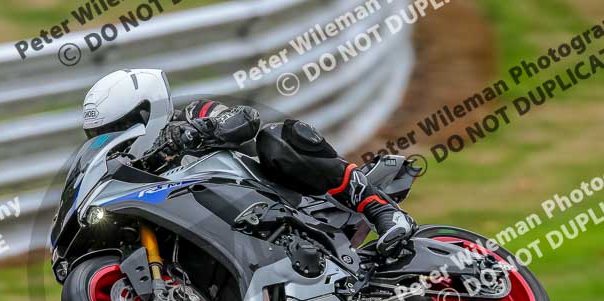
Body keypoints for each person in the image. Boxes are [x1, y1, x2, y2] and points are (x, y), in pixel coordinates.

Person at [82, 69, 414, 256]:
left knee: (279, 139)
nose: (113, 137)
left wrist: (203, 129)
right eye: (103, 133)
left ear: (145, 109)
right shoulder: (132, 174)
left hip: (275, 200)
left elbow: (244, 119)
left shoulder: (186, 118)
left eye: (117, 127)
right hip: (221, 235)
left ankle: (384, 214)